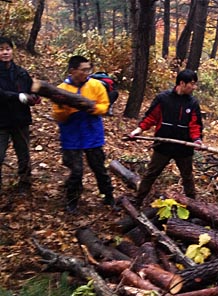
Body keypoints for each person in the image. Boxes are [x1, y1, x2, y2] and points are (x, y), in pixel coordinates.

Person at [129, 69, 203, 207]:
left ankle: (194, 206)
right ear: (182, 83)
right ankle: (137, 200)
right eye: (192, 84)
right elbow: (151, 117)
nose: (194, 87)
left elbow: (195, 125)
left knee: (187, 178)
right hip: (163, 145)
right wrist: (138, 130)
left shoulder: (192, 103)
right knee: (151, 174)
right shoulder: (163, 98)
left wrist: (196, 139)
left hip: (184, 147)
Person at [52, 55, 115, 213]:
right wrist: (65, 108)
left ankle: (108, 197)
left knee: (99, 167)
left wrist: (91, 107)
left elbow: (104, 106)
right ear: (73, 71)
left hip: (92, 133)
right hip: (71, 135)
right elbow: (57, 116)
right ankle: (72, 201)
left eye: (89, 69)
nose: (87, 72)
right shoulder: (61, 90)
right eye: (84, 70)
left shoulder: (96, 85)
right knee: (76, 170)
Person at [0, 36, 41, 194]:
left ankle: (24, 184)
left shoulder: (21, 73)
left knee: (23, 154)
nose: (5, 52)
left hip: (20, 120)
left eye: (8, 49)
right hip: (1, 121)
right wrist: (19, 97)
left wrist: (35, 98)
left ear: (12, 51)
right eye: (1, 49)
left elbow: (31, 90)